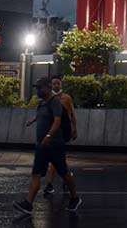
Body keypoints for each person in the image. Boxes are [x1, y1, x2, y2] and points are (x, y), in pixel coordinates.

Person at [13, 76, 81, 215]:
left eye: (40, 88)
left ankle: (75, 198)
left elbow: (57, 120)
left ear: (48, 88)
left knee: (64, 173)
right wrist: (32, 121)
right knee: (36, 174)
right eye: (37, 88)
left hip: (54, 144)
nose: (38, 91)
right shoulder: (42, 103)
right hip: (41, 146)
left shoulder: (55, 102)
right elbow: (40, 115)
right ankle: (28, 204)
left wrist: (49, 136)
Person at [43, 75, 78, 197]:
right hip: (53, 130)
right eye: (54, 84)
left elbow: (72, 114)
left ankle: (52, 184)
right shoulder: (48, 98)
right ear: (51, 86)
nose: (56, 85)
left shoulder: (66, 98)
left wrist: (74, 129)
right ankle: (63, 180)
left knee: (56, 158)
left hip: (64, 130)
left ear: (61, 84)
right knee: (58, 158)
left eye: (58, 83)